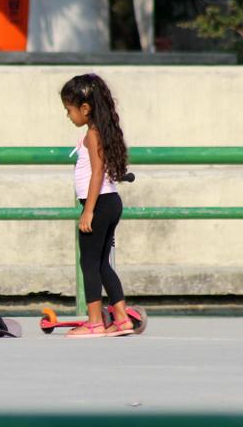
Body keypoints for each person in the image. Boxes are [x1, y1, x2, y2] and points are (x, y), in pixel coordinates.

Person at [60, 73, 134, 338]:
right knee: (102, 263)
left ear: (85, 108)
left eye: (69, 110)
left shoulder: (93, 134)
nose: (68, 116)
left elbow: (97, 172)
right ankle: (122, 318)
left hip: (100, 203)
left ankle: (94, 322)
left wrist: (88, 210)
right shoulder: (100, 132)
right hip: (110, 202)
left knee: (89, 263)